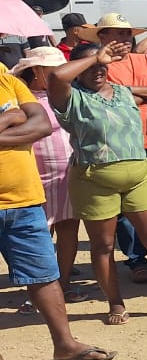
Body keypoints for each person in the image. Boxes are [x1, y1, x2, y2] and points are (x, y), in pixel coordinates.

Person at [47, 41, 147, 322]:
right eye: (91, 65)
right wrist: (97, 56)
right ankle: (116, 303)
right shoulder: (71, 98)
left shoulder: (122, 92)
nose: (98, 69)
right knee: (103, 246)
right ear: (79, 70)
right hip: (94, 179)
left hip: (138, 176)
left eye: (102, 65)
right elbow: (56, 76)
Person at [0, 62, 115, 360]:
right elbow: (27, 121)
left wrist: (11, 121)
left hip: (24, 198)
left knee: (44, 274)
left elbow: (41, 126)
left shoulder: (5, 78)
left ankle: (64, 343)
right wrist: (10, 117)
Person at [87, 13, 147, 283]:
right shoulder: (96, 66)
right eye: (118, 33)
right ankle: (136, 260)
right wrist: (143, 91)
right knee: (123, 210)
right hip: (120, 147)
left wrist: (128, 90)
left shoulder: (146, 59)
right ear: (102, 37)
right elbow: (106, 95)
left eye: (127, 33)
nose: (125, 38)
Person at [12, 48, 98, 307]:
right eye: (52, 69)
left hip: (70, 172)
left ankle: (63, 285)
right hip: (36, 175)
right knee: (38, 233)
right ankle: (37, 291)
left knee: (69, 227)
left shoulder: (67, 95)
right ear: (36, 70)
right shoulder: (22, 98)